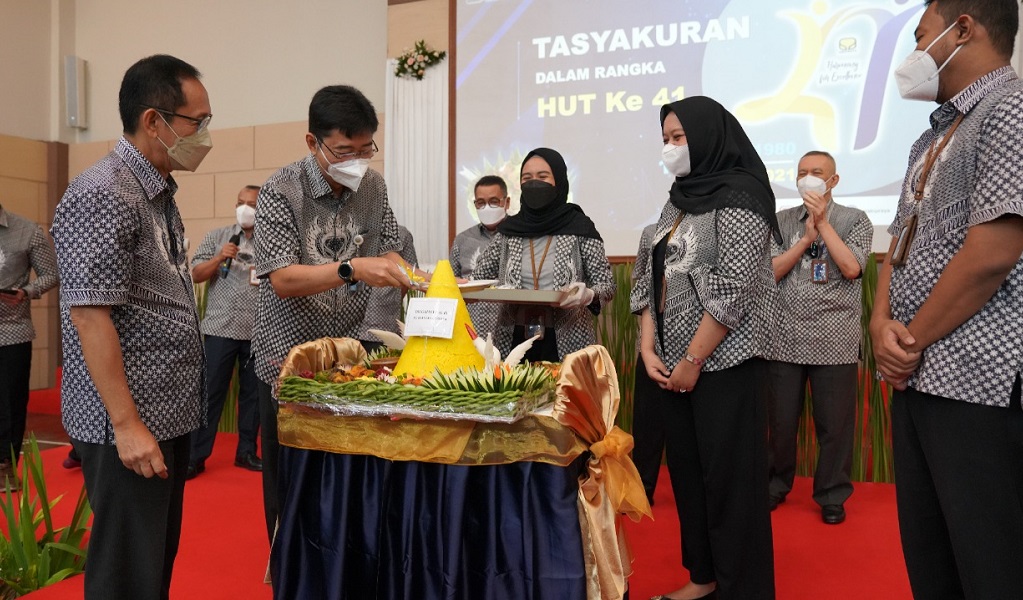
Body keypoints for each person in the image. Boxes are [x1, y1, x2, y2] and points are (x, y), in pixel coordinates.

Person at [871, 1, 1023, 597]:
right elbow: (899, 243)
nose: (914, 53)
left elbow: (994, 252)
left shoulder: (1009, 110)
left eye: (920, 35)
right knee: (932, 560)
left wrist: (908, 340)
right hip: (918, 376)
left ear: (965, 30)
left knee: (991, 563)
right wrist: (882, 321)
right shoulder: (929, 137)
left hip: (976, 382)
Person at [50, 54, 212, 600]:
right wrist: (126, 424)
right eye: (197, 122)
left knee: (151, 565)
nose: (205, 135)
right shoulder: (104, 193)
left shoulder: (157, 190)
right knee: (126, 573)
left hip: (165, 412)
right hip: (128, 422)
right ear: (154, 121)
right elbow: (90, 313)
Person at [251, 84, 417, 547]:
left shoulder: (373, 186)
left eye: (366, 149)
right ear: (312, 142)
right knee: (291, 488)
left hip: (346, 359)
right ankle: (289, 572)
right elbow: (281, 279)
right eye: (345, 150)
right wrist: (351, 268)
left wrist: (427, 279)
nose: (358, 161)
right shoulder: (280, 191)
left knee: (342, 481)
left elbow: (388, 249)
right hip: (287, 362)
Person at [633, 97, 778, 599]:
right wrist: (647, 346)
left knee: (731, 486)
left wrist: (694, 359)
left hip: (724, 365)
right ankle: (703, 578)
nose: (671, 148)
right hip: (672, 365)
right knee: (691, 479)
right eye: (666, 139)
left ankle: (743, 588)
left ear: (709, 136)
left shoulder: (742, 198)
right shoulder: (678, 199)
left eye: (680, 138)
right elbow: (654, 275)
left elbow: (733, 288)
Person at [766, 151, 872, 525]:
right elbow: (770, 273)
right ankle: (775, 486)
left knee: (835, 427)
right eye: (801, 173)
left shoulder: (855, 220)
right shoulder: (779, 221)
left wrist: (823, 225)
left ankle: (831, 495)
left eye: (816, 173)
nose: (807, 179)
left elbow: (851, 267)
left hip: (834, 340)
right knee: (779, 425)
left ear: (833, 181)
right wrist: (803, 240)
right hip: (783, 338)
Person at [471, 147, 615, 362]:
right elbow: (480, 275)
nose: (534, 183)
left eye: (543, 176)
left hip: (568, 338)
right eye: (527, 178)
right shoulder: (510, 229)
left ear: (558, 181)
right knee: (515, 395)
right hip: (513, 338)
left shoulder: (580, 227)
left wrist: (589, 295)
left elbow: (607, 285)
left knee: (563, 395)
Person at [186, 185, 263, 479]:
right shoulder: (219, 236)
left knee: (253, 396)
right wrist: (219, 258)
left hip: (257, 330)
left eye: (251, 204)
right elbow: (195, 273)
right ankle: (196, 456)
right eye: (240, 202)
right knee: (211, 392)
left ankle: (245, 452)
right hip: (221, 327)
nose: (245, 208)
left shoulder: (272, 240)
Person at [0, 203, 59, 491]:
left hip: (12, 332)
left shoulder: (27, 230)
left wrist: (26, 292)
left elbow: (51, 274)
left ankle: (6, 466)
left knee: (10, 403)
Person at [628, 223, 666, 506]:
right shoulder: (651, 232)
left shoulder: (711, 228)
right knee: (647, 421)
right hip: (652, 340)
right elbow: (640, 280)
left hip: (700, 341)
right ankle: (643, 489)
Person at [450, 175, 509, 337]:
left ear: (506, 202)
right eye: (481, 203)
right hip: (472, 327)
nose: (487, 207)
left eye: (494, 201)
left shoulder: (518, 236)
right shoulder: (463, 240)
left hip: (509, 326)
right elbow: (452, 285)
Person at [357, 224, 418, 351]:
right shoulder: (346, 233)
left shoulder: (401, 234)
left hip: (384, 324)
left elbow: (410, 276)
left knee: (383, 369)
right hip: (347, 328)